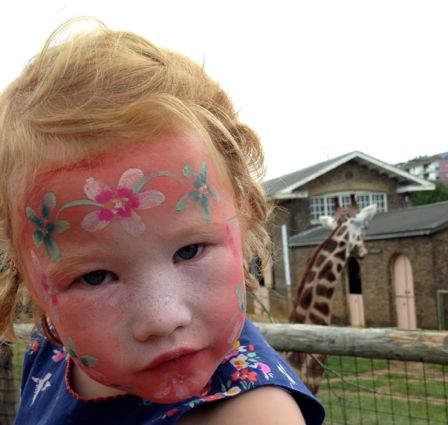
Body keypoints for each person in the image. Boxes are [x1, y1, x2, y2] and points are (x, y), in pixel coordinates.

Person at [0, 18, 325, 425]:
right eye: (95, 277)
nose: (162, 319)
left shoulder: (250, 416)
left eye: (189, 251)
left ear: (243, 221)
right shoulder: (50, 349)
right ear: (30, 279)